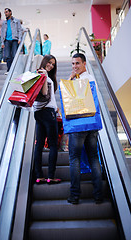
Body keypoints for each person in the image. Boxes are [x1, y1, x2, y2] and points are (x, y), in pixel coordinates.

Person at [67, 53, 103, 204]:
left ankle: (75, 196)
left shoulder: (79, 81)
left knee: (74, 159)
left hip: (78, 124)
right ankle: (98, 195)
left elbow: (66, 96)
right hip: (92, 125)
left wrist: (69, 79)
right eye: (73, 64)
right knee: (94, 158)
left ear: (84, 64)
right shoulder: (91, 79)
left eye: (77, 63)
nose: (75, 66)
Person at [33, 55, 61, 184]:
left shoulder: (35, 75)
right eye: (49, 63)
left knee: (39, 145)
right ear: (44, 62)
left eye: (53, 64)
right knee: (53, 145)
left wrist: (56, 107)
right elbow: (44, 94)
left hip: (38, 112)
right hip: (48, 113)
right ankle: (50, 176)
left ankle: (39, 176)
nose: (51, 66)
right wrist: (44, 77)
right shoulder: (43, 76)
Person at [1, 8, 22, 75]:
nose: (5, 14)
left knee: (14, 55)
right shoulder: (4, 22)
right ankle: (9, 70)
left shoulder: (16, 21)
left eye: (6, 12)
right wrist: (2, 42)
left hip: (14, 40)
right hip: (6, 40)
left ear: (10, 12)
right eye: (5, 13)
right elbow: (2, 32)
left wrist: (20, 38)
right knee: (7, 55)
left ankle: (14, 69)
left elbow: (20, 30)